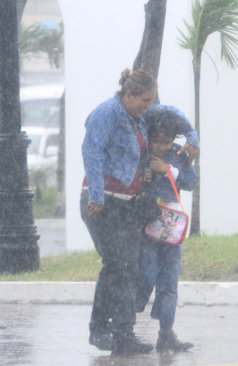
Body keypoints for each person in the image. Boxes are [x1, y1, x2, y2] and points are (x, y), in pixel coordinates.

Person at [80, 68, 199, 355]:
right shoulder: (108, 112)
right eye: (145, 100)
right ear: (128, 94)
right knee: (117, 265)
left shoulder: (140, 116)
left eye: (150, 100)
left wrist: (192, 138)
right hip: (104, 201)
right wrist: (95, 194)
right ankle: (101, 330)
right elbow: (91, 151)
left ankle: (122, 334)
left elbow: (173, 114)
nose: (149, 106)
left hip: (129, 205)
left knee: (126, 269)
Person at [135, 109, 197, 353]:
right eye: (157, 141)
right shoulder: (142, 153)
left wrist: (168, 170)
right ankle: (128, 316)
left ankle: (166, 332)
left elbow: (191, 182)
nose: (162, 146)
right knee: (147, 274)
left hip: (172, 229)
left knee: (169, 282)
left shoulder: (180, 155)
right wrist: (144, 175)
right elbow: (131, 181)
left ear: (174, 140)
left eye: (167, 141)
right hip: (147, 224)